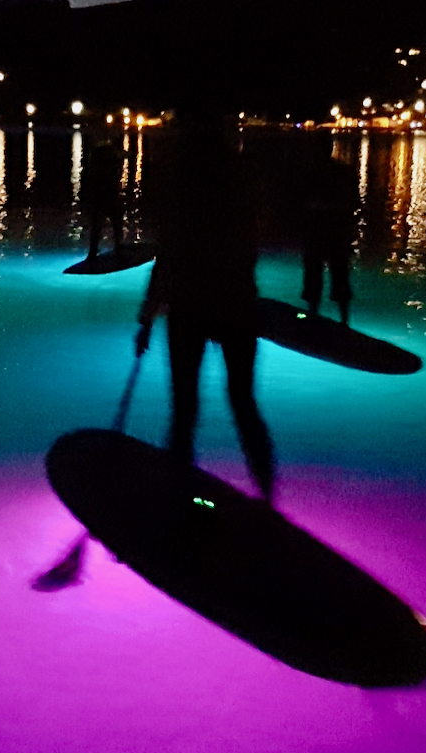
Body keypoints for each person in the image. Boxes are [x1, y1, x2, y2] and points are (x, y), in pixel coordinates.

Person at [134, 125, 275, 502]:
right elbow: (248, 251)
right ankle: (267, 499)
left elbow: (167, 259)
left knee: (185, 409)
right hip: (233, 303)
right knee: (242, 403)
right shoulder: (240, 191)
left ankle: (178, 496)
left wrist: (148, 317)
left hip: (193, 304)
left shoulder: (184, 193)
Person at [301, 154, 357, 324]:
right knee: (338, 275)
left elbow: (299, 202)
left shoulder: (310, 172)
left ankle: (313, 316)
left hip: (319, 231)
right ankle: (344, 321)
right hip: (336, 231)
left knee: (315, 275)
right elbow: (354, 202)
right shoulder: (344, 171)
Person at [83, 137, 127, 258]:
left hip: (99, 194)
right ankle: (117, 247)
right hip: (107, 193)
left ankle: (94, 251)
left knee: (98, 223)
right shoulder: (107, 159)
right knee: (115, 221)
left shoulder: (97, 160)